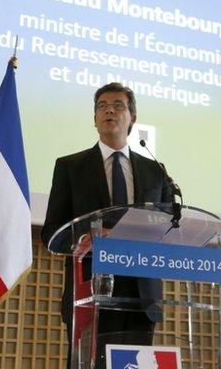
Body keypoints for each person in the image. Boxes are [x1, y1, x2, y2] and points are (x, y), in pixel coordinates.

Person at [41, 82, 171, 368]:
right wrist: (85, 237)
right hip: (91, 292)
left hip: (141, 296)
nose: (108, 110)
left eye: (118, 105)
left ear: (133, 118)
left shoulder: (155, 170)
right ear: (95, 118)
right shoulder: (70, 166)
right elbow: (51, 232)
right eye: (102, 106)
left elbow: (166, 227)